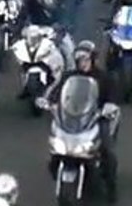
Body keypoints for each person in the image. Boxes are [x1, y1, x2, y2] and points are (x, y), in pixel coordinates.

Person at [46, 41, 119, 202]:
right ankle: (56, 167)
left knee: (108, 152)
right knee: (54, 150)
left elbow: (113, 96)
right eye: (80, 60)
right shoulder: (69, 76)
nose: (83, 63)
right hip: (71, 120)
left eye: (86, 59)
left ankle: (111, 188)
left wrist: (108, 107)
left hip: (96, 120)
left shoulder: (104, 78)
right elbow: (56, 92)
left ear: (93, 59)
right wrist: (50, 103)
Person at [23, 0, 75, 64]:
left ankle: (71, 68)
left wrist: (62, 27)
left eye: (51, 2)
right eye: (46, 1)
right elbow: (28, 22)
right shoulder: (34, 11)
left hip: (57, 35)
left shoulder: (60, 9)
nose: (50, 5)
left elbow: (66, 21)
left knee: (69, 47)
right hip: (40, 37)